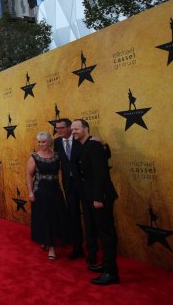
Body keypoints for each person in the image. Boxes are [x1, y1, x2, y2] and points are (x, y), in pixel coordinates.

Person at [71, 119, 120, 285]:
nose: (74, 131)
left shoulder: (93, 145)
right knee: (101, 233)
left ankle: (111, 273)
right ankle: (106, 266)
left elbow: (101, 173)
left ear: (86, 129)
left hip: (101, 197)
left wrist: (99, 197)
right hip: (93, 196)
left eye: (77, 128)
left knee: (106, 235)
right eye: (72, 129)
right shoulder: (87, 146)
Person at [54, 118, 98, 265]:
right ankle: (77, 248)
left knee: (89, 218)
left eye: (61, 128)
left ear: (69, 128)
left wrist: (102, 143)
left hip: (85, 185)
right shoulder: (57, 142)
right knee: (73, 217)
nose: (58, 130)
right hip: (69, 186)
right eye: (57, 128)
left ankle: (92, 252)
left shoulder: (82, 139)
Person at [25, 131, 69, 260]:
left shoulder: (57, 155)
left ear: (49, 142)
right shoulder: (34, 157)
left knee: (55, 217)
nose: (41, 144)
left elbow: (65, 170)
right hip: (40, 191)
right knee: (45, 218)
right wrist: (30, 192)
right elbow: (28, 175)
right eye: (39, 142)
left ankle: (48, 240)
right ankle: (51, 248)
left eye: (43, 142)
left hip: (55, 190)